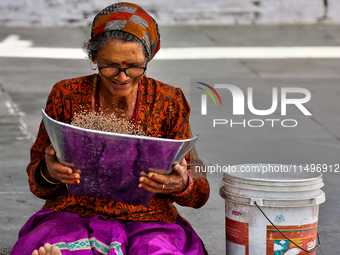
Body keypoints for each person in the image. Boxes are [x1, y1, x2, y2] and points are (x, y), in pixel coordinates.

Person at [11, 2, 210, 255]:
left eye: (134, 67)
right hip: (74, 212)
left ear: (148, 59)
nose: (122, 77)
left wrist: (182, 184)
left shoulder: (169, 100)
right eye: (110, 65)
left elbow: (200, 193)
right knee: (54, 244)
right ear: (94, 58)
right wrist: (49, 172)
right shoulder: (67, 94)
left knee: (157, 250)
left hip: (149, 219)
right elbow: (37, 182)